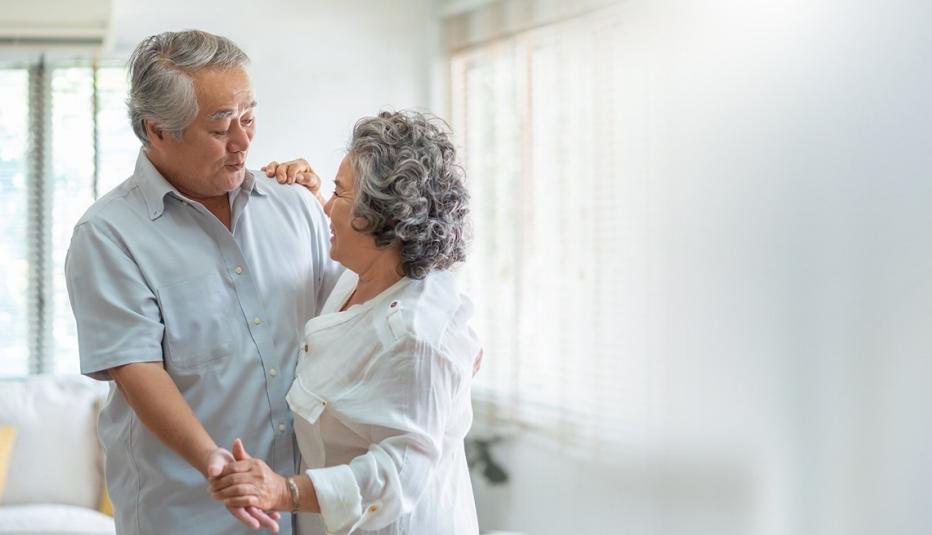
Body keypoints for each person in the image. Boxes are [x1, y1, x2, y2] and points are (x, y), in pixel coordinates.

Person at [65, 30, 340, 534]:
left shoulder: (295, 204)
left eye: (249, 117)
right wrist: (212, 460)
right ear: (157, 130)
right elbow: (139, 371)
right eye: (220, 128)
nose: (243, 141)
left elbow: (354, 309)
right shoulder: (109, 236)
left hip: (300, 507)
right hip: (187, 513)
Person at [209, 111, 481, 535]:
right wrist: (315, 193)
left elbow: (399, 474)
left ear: (380, 218)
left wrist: (286, 491)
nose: (326, 208)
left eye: (340, 193)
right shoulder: (365, 279)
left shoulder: (416, 333)